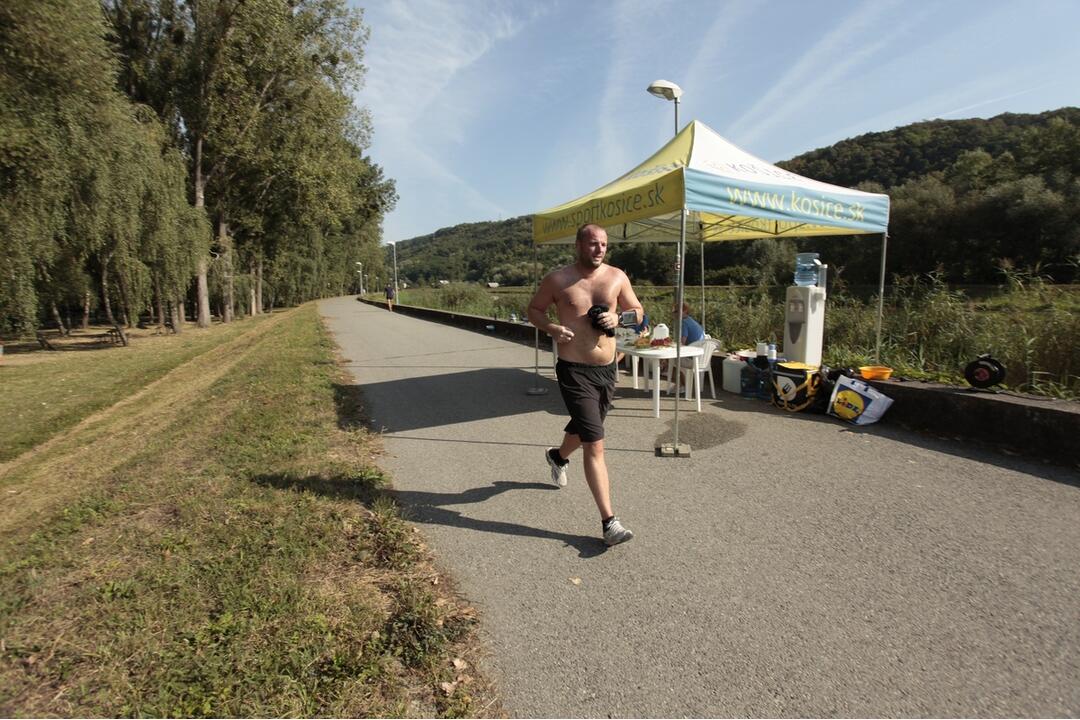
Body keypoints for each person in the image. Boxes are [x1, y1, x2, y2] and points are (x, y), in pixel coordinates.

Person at [527, 223, 643, 546]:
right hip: (573, 371)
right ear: (578, 244)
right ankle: (610, 523)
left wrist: (619, 319)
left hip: (607, 370)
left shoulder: (617, 277)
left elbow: (638, 311)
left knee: (585, 427)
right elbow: (534, 309)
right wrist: (551, 327)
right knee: (595, 442)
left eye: (604, 244)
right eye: (593, 243)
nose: (600, 249)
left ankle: (557, 456)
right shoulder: (558, 280)